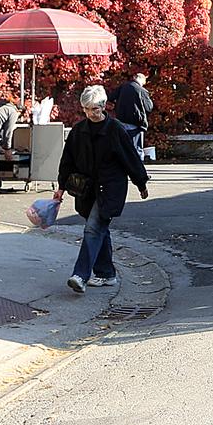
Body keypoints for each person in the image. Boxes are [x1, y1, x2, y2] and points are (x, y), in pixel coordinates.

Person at [57, 85, 150, 292]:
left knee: (92, 228)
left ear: (103, 106)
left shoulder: (115, 129)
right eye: (87, 109)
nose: (92, 114)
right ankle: (106, 274)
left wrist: (141, 182)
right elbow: (67, 161)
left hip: (110, 188)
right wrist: (61, 187)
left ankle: (80, 275)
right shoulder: (78, 131)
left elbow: (130, 158)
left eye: (95, 109)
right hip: (87, 189)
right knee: (99, 230)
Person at [113, 71, 155, 160]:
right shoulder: (141, 90)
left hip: (121, 121)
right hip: (136, 123)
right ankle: (139, 170)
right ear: (141, 80)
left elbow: (111, 97)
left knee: (124, 148)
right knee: (137, 149)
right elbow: (149, 107)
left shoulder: (123, 87)